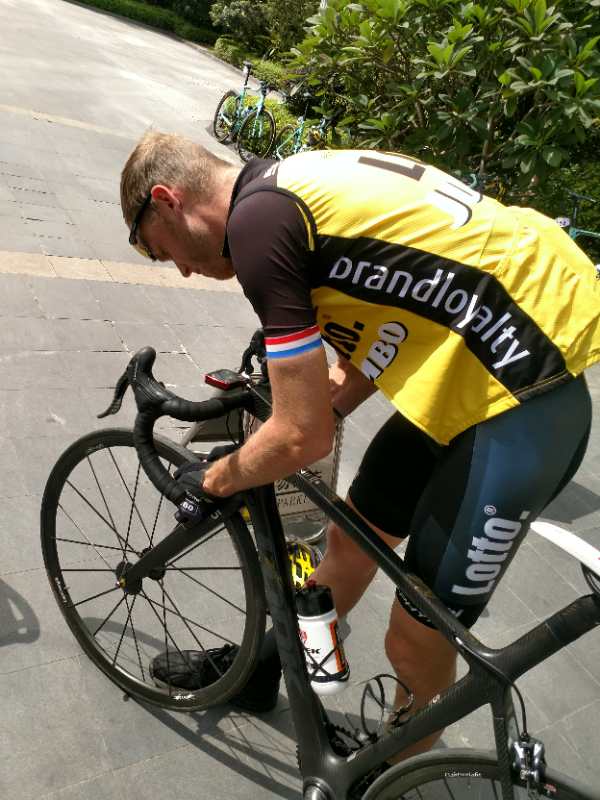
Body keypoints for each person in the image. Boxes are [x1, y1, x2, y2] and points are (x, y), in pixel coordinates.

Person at [120, 131, 599, 751]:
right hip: (467, 377)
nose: (182, 270)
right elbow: (390, 319)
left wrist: (215, 479)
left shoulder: (257, 230)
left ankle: (401, 769)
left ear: (167, 200)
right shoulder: (283, 187)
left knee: (415, 635)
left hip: (524, 401)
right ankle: (264, 669)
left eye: (162, 251)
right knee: (352, 538)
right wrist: (307, 412)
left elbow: (303, 435)